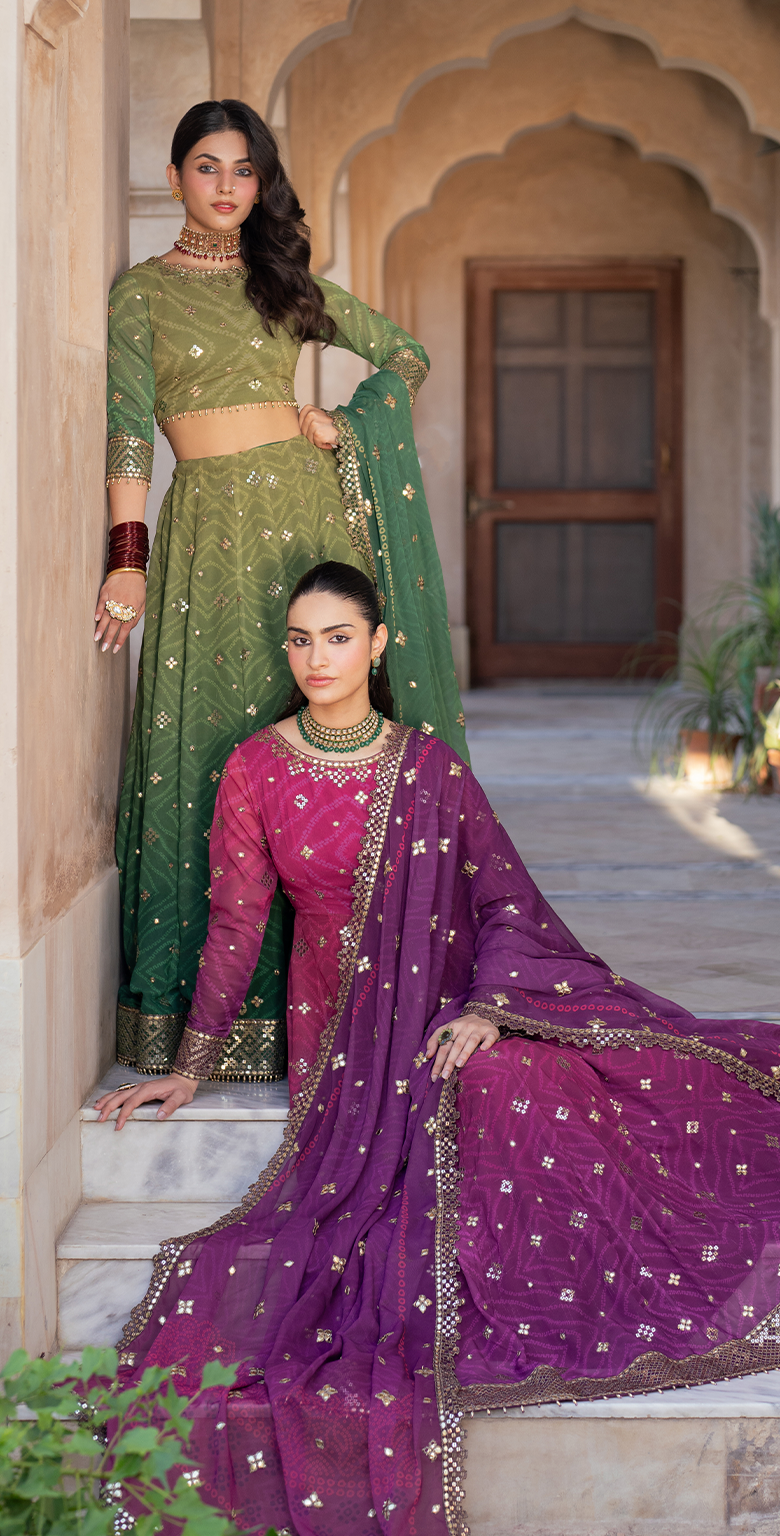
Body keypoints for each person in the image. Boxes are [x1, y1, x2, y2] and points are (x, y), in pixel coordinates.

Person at [95, 560, 780, 1536]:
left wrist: (493, 1006)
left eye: (337, 637)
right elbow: (238, 924)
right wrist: (189, 1068)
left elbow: (503, 902)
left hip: (457, 998)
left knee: (539, 1071)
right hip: (347, 1037)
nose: (316, 658)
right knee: (473, 1108)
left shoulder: (430, 769)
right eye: (300, 639)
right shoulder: (256, 767)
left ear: (378, 644)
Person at [98, 99, 465, 1085]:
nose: (226, 186)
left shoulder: (283, 282)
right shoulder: (141, 295)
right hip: (206, 535)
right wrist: (127, 556)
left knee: (309, 732)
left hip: (304, 524)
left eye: (244, 170)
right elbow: (128, 429)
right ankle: (208, 1016)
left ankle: (339, 1001)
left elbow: (407, 354)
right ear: (174, 177)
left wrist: (350, 423)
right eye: (207, 166)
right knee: (209, 748)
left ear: (261, 184)